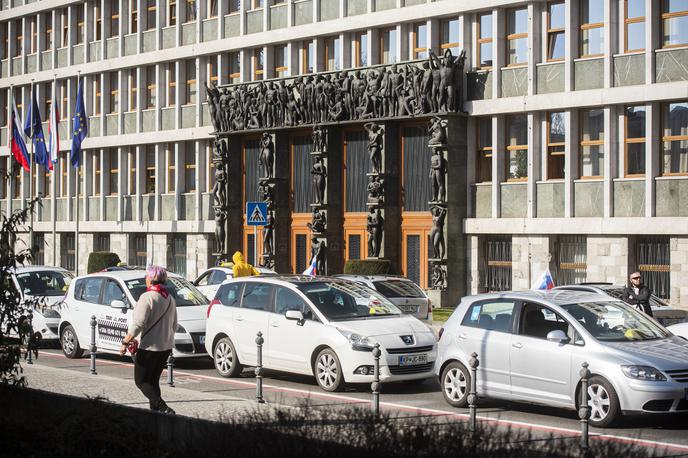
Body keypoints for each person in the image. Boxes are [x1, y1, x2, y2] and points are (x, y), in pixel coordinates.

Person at [119, 266, 177, 414]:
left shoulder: (147, 297)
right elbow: (174, 325)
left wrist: (125, 342)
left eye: (146, 276)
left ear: (150, 279)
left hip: (149, 347)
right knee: (153, 381)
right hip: (165, 347)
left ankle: (163, 408)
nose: (145, 279)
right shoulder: (170, 298)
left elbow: (138, 324)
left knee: (141, 381)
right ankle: (155, 413)